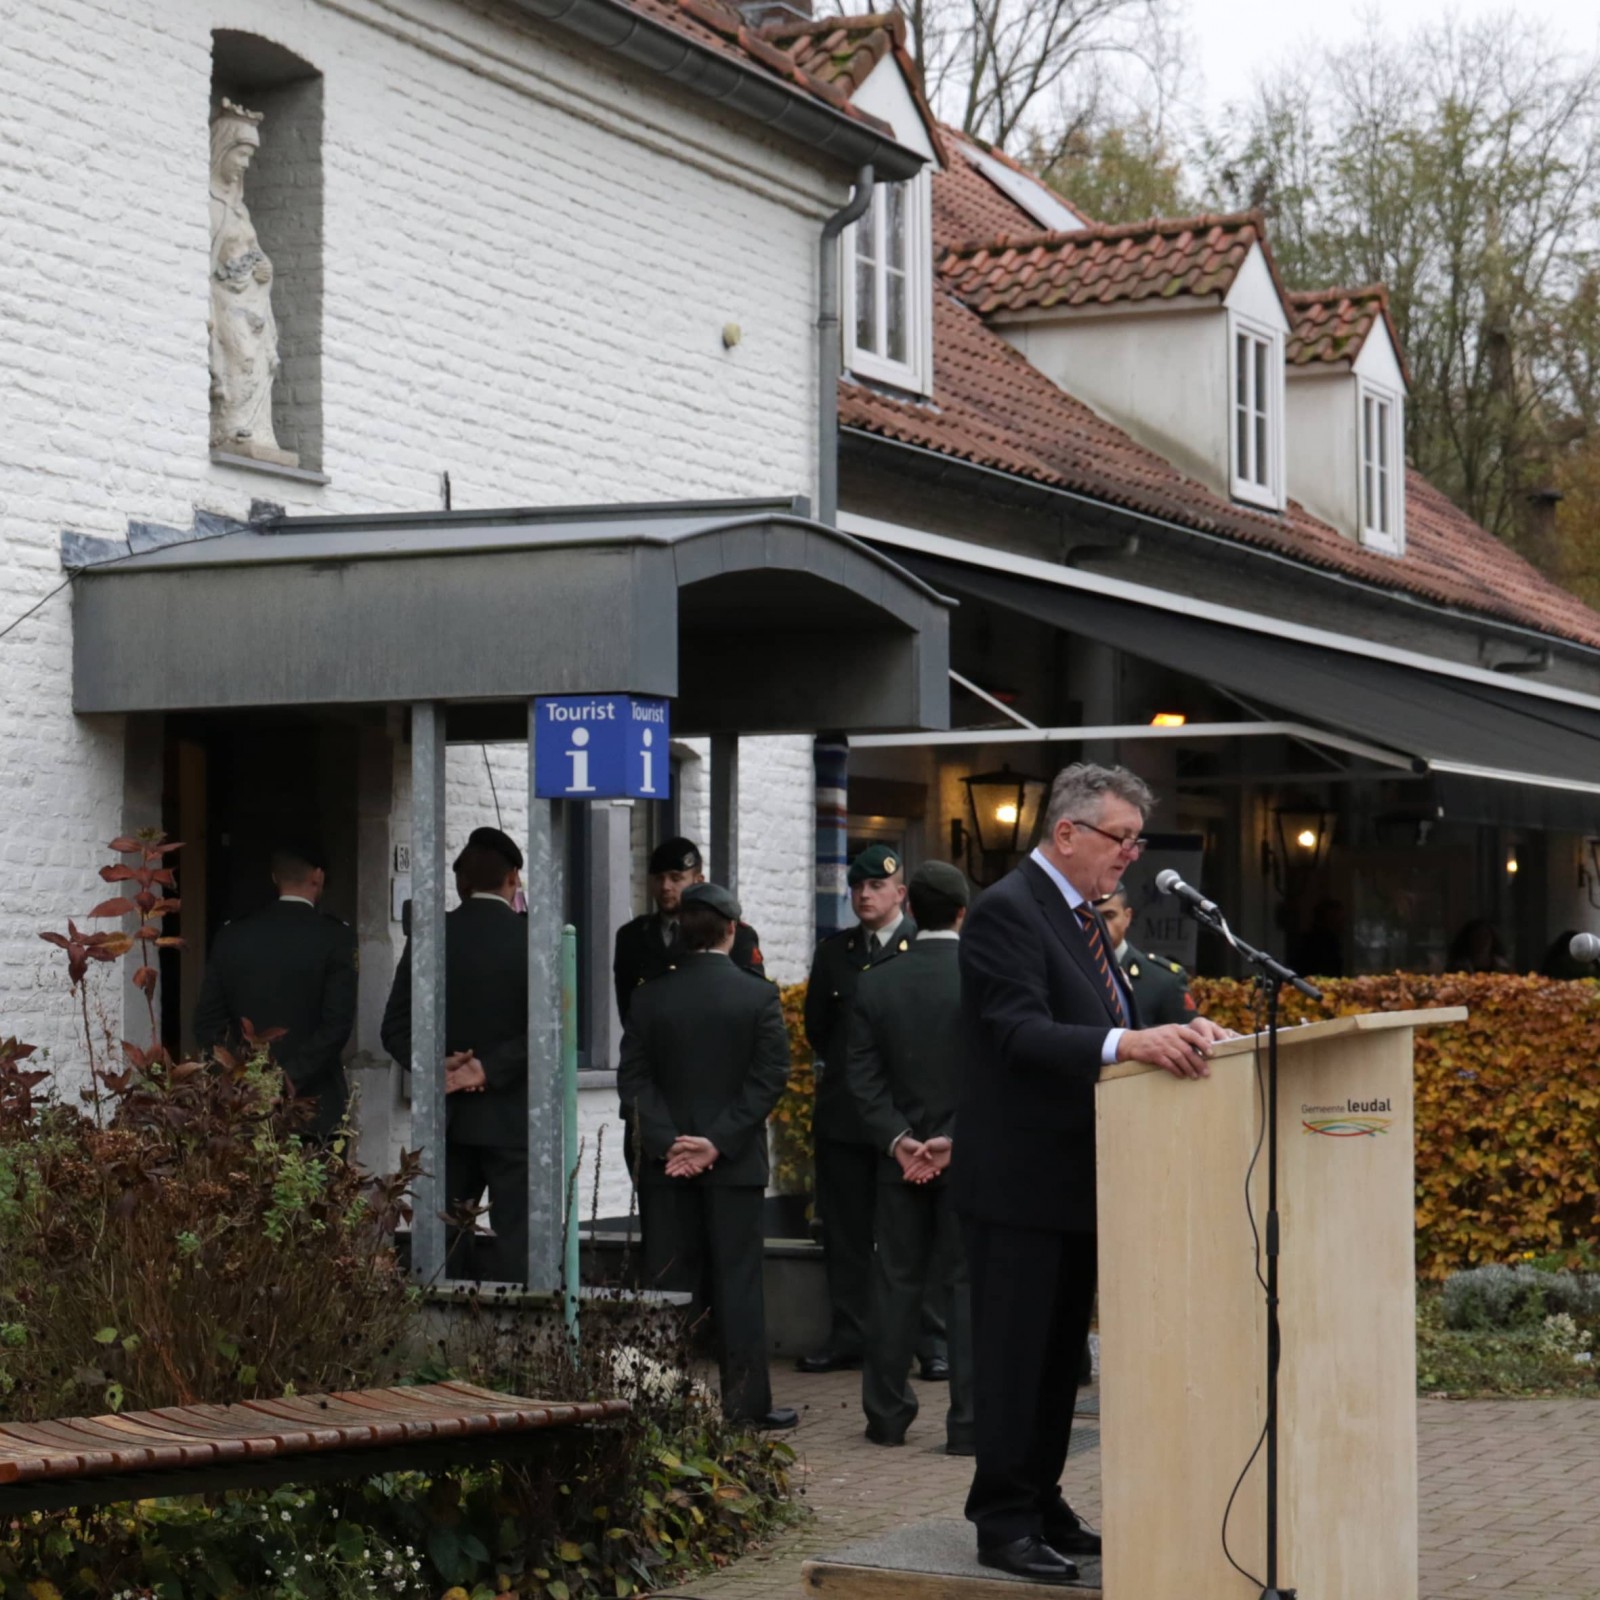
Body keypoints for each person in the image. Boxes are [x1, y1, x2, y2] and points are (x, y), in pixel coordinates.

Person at [953, 763, 1232, 1583]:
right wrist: (1129, 1046)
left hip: (1080, 1182)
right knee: (1014, 1358)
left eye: (1137, 842)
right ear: (1066, 832)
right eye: (1121, 839)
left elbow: (1107, 1016)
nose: (1131, 858)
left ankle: (1039, 1498)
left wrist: (1176, 1026)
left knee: (1055, 1359)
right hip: (1018, 1185)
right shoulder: (1008, 911)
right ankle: (1001, 1519)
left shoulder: (1077, 918)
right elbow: (1017, 1032)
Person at [618, 882, 796, 1430]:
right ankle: (745, 1405)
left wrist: (671, 1142)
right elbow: (769, 1079)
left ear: (683, 933)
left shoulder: (649, 996)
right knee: (738, 1284)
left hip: (664, 1166)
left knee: (666, 1285)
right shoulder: (757, 996)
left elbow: (634, 1080)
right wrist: (717, 1142)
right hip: (734, 1167)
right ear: (732, 931)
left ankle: (660, 1402)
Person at [800, 844, 947, 1379]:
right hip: (846, 1117)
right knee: (846, 1233)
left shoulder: (920, 948)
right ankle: (850, 1335)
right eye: (858, 886)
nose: (865, 895)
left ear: (901, 894)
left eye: (877, 887)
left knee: (917, 1236)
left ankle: (932, 1342)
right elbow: (820, 1029)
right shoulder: (834, 952)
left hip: (908, 1121)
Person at [846, 860, 974, 1453]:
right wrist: (950, 1139)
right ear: (963, 913)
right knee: (967, 1284)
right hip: (966, 1157)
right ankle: (969, 1424)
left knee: (894, 1281)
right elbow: (993, 1073)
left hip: (898, 1161)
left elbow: (860, 1078)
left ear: (912, 911)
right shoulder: (983, 977)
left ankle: (886, 1417)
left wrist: (901, 1141)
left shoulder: (875, 981)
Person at [382, 840, 530, 1283]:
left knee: (441, 1243)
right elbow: (552, 1033)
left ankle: (437, 1340)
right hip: (515, 1122)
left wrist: (438, 1064)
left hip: (446, 1119)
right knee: (520, 1243)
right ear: (513, 879)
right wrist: (488, 1068)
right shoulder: (535, 939)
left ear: (461, 884)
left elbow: (394, 1028)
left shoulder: (431, 937)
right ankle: (522, 1343)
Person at [614, 837, 766, 1180]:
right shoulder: (632, 937)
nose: (665, 887)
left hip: (717, 1102)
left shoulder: (738, 936)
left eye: (675, 877)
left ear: (698, 879)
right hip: (656, 1100)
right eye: (658, 878)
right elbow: (630, 1013)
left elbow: (746, 1017)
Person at [193, 843, 357, 1144]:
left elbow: (207, 1025)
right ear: (318, 877)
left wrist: (244, 1082)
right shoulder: (336, 937)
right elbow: (337, 1024)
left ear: (274, 878)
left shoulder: (233, 935)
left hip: (245, 1105)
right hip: (315, 1108)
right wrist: (285, 1079)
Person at [1097, 884, 1196, 1025]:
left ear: (1127, 917)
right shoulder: (1068, 970)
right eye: (1092, 916)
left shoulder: (1163, 980)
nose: (1100, 924)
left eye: (1109, 916)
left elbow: (1189, 1039)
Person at [1447, 918, 1512, 974]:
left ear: (1493, 939)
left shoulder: (1503, 967)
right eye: (1477, 937)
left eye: (1485, 937)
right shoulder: (1459, 968)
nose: (1482, 941)